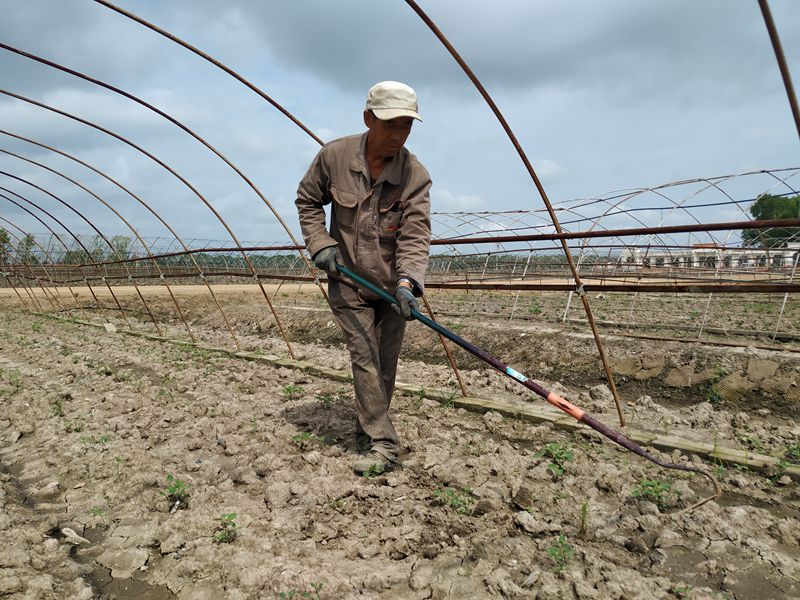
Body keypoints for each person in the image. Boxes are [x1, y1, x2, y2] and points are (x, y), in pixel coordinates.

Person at [295, 81, 432, 475]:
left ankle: (367, 429)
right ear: (368, 117)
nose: (398, 135)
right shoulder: (334, 157)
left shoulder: (415, 176)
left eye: (406, 126)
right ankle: (385, 444)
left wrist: (408, 283)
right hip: (349, 281)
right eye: (391, 124)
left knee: (385, 363)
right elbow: (307, 201)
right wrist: (320, 243)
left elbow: (415, 234)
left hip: (391, 287)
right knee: (365, 357)